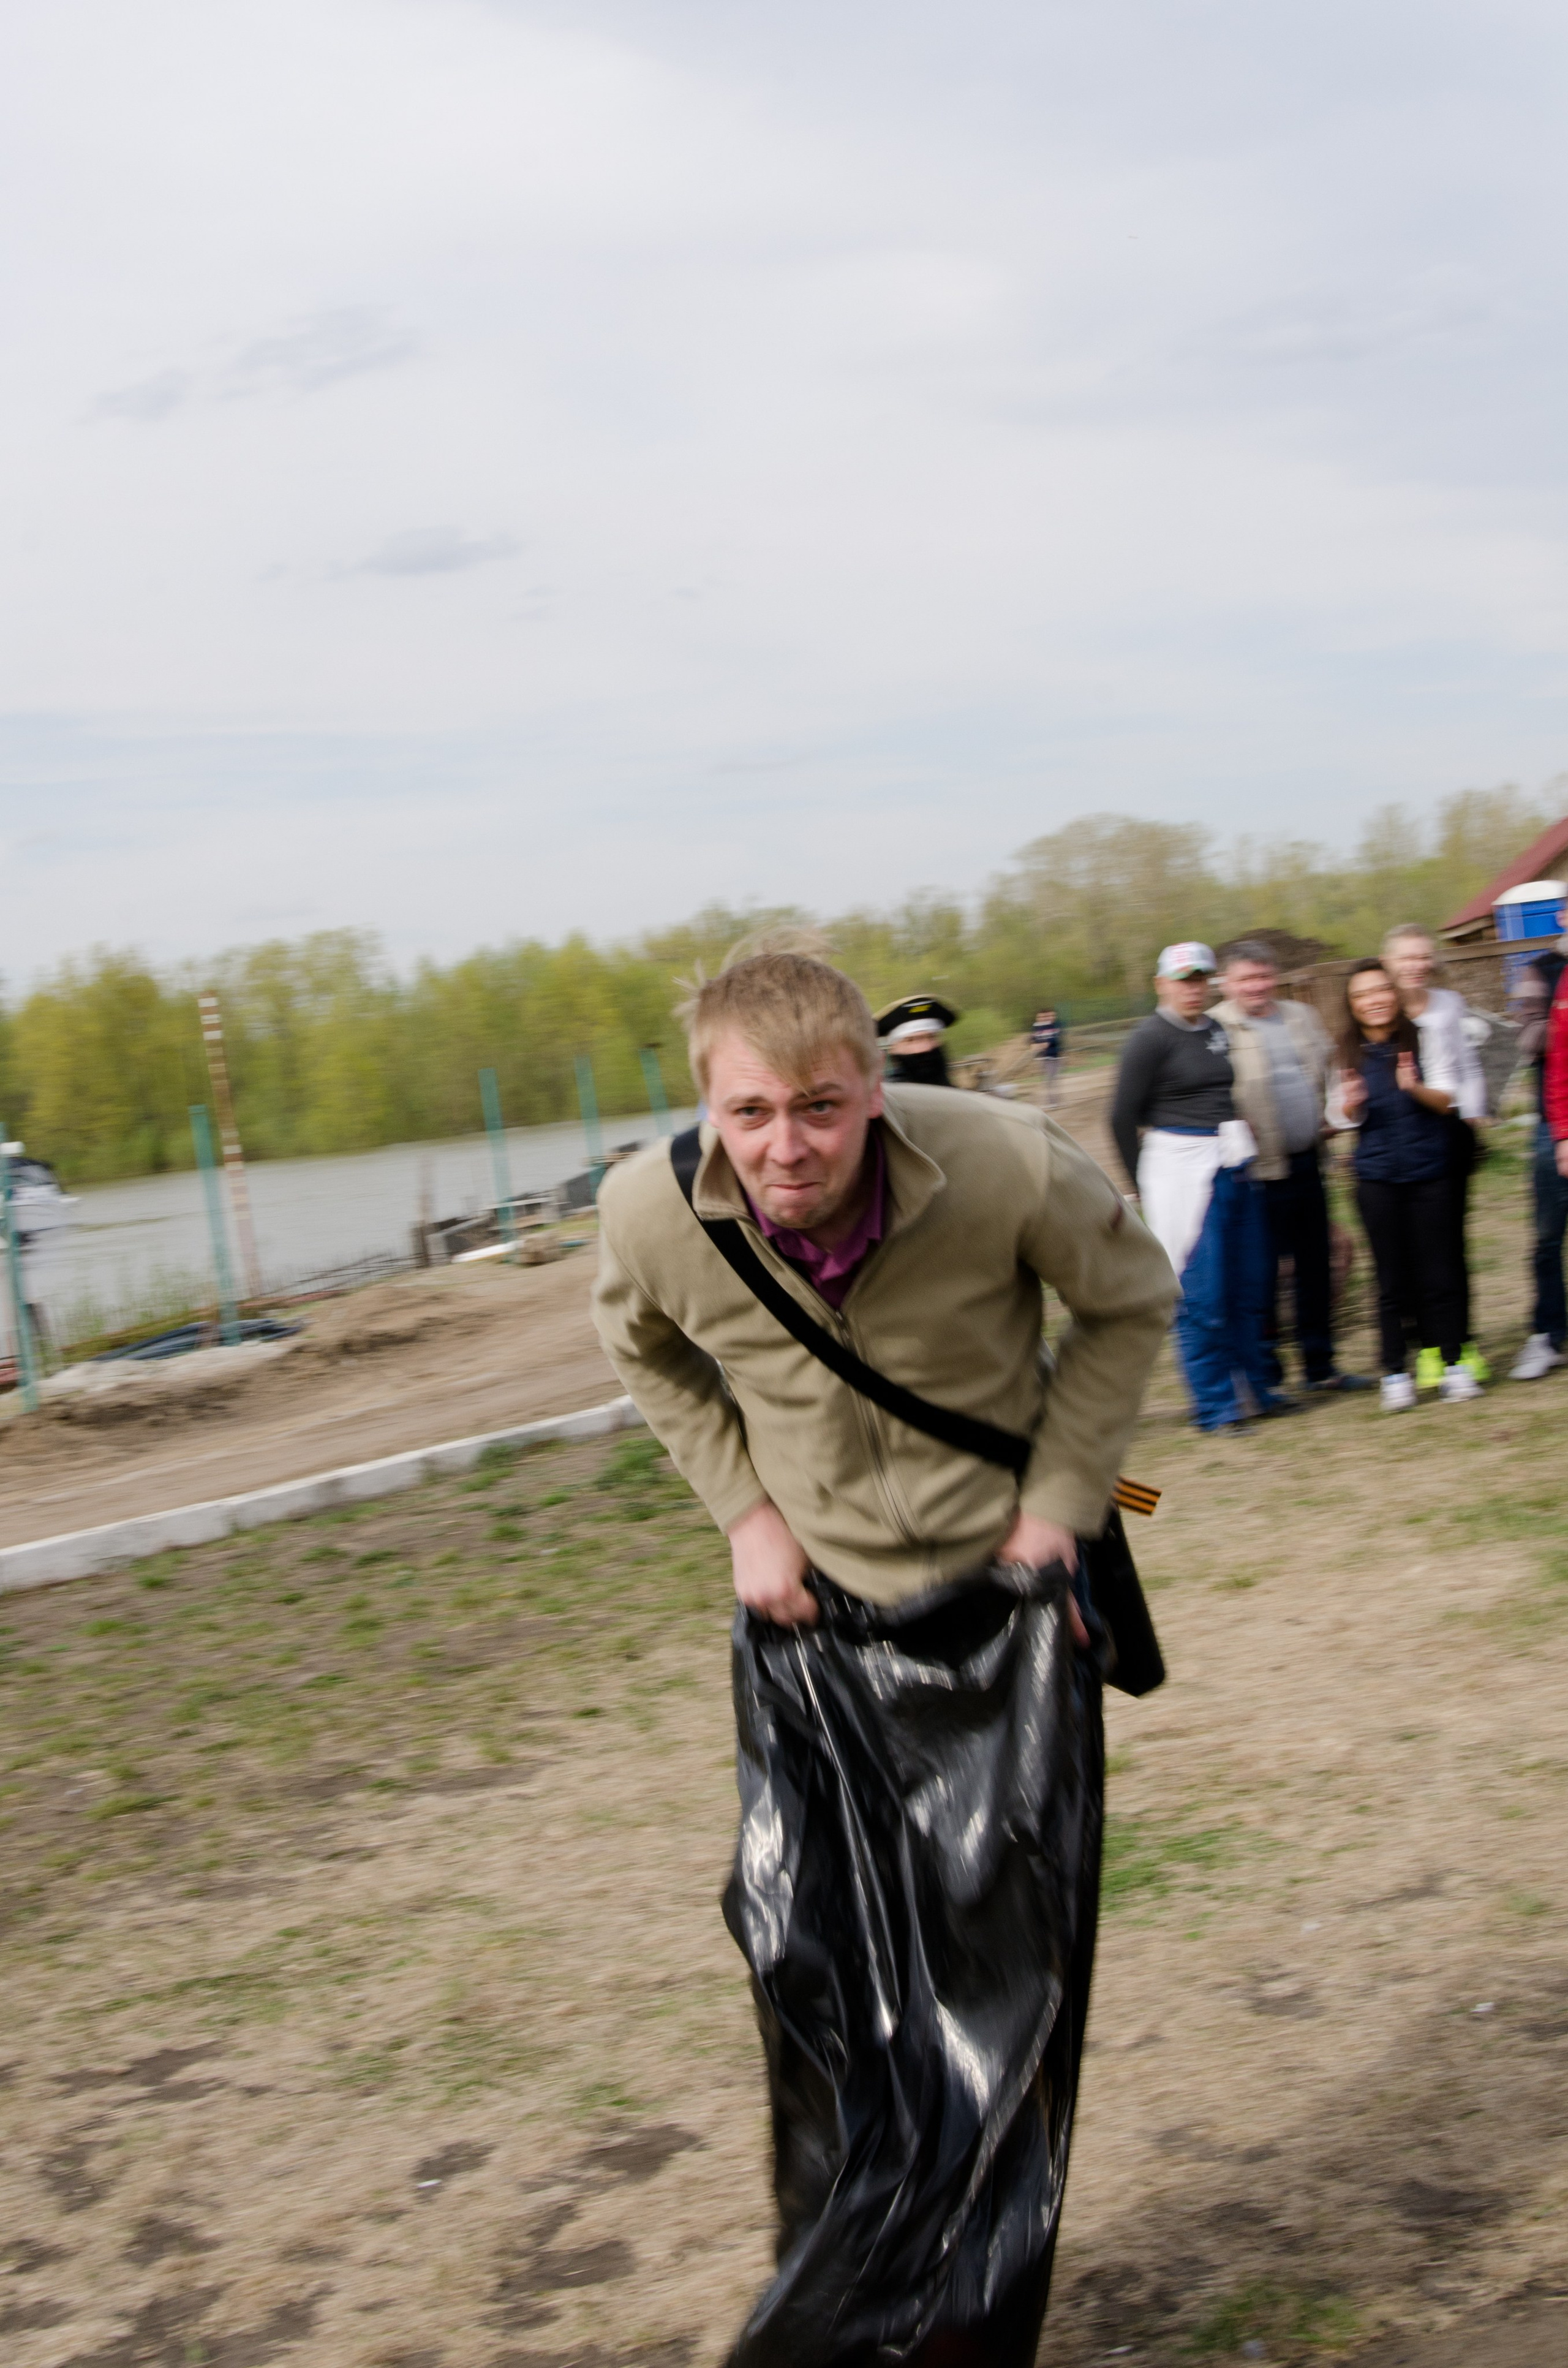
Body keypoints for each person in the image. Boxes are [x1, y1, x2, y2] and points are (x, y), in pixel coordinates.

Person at [592, 948, 1177, 2364]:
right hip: (814, 1627)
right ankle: (845, 2286)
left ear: (873, 1090)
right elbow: (644, 1349)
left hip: (1005, 1610)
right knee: (808, 1963)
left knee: (993, 2000)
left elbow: (1128, 1296)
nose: (784, 1147)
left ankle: (959, 2328)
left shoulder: (1002, 1166)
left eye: (819, 1107)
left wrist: (1058, 1507)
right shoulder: (648, 1214)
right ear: (705, 1103)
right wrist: (745, 1514)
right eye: (748, 1114)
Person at [1110, 940, 1288, 1432]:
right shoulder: (1149, 1038)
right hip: (1181, 1170)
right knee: (1202, 1292)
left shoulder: (1214, 1028)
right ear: (1162, 984)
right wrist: (1141, 1184)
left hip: (1230, 1161)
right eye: (1184, 979)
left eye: (1201, 978)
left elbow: (1221, 1094)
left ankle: (1257, 1390)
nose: (1194, 988)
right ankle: (1215, 1406)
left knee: (1251, 1283)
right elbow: (1121, 1116)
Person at [1212, 942, 1370, 1394]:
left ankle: (1320, 1365)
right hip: (1256, 1173)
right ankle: (1267, 1374)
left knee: (1315, 1265)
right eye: (1245, 979)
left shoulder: (1301, 1017)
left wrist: (1335, 1113)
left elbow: (1333, 1074)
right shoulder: (1216, 1028)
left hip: (1308, 1161)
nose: (1257, 986)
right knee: (1261, 1275)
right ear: (1227, 983)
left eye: (1263, 976)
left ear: (1275, 976)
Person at [1331, 958, 1476, 1410]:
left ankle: (1454, 1365)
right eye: (1362, 995)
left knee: (1441, 1271)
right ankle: (1395, 1371)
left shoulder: (1424, 1037)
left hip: (1430, 1172)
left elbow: (1449, 1099)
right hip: (1377, 1179)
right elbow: (1338, 1116)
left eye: (1380, 990)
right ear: (1352, 1005)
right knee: (1390, 1278)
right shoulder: (1343, 1052)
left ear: (1394, 994)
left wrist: (1414, 1087)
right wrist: (1352, 1104)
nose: (1374, 1000)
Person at [1382, 926, 1490, 1385]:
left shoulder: (1449, 1004)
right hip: (1399, 1137)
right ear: (1388, 962)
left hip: (1448, 1129)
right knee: (1406, 1250)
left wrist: (1473, 1114)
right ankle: (1424, 1346)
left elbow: (1467, 1065)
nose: (1416, 965)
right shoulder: (1378, 1009)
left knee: (1448, 1246)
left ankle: (1460, 1341)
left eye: (1423, 956)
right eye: (1406, 957)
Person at [1509, 940, 1568, 1379]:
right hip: (1556, 1127)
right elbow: (1529, 1041)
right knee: (1549, 1237)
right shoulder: (1544, 971)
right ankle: (1547, 1334)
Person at [875, 991, 956, 1086]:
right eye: (911, 1040)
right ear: (893, 1049)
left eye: (931, 1037)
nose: (925, 1048)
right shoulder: (887, 1098)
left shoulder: (963, 1097)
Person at [1032, 1005, 1065, 1107]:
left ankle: (1053, 1101)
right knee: (1049, 1079)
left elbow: (1055, 1038)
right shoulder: (1038, 1028)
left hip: (1055, 1056)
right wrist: (1035, 1044)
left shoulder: (1057, 1026)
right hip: (1044, 1057)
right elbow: (1034, 1039)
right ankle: (1053, 1101)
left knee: (1051, 1079)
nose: (1049, 1018)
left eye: (1052, 1015)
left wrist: (1044, 1044)